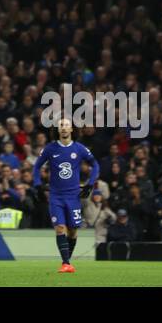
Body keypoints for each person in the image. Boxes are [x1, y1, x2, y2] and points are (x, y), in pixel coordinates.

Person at [31, 117, 99, 273]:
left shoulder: (79, 149)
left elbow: (95, 165)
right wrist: (37, 184)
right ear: (58, 129)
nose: (63, 127)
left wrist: (90, 183)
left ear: (71, 129)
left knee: (73, 230)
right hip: (56, 196)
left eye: (66, 125)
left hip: (74, 196)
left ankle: (67, 261)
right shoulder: (50, 149)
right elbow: (36, 167)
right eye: (61, 125)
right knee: (60, 227)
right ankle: (66, 263)